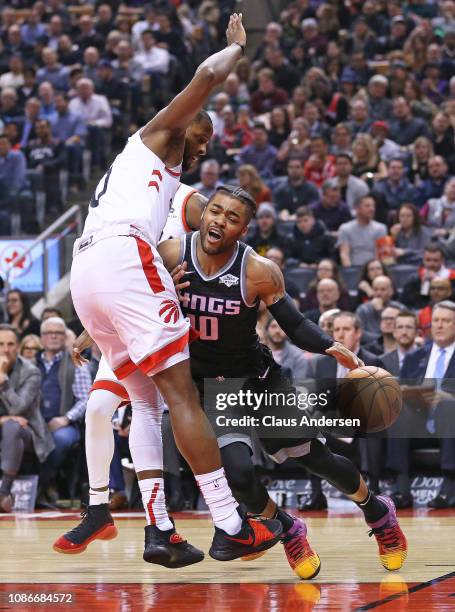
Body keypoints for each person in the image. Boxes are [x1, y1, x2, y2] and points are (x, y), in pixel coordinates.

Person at [71, 186, 405, 574]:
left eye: (232, 218)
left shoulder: (258, 270)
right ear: (203, 214)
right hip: (211, 389)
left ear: (243, 230)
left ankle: (378, 512)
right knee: (240, 475)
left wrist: (334, 347)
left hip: (258, 380)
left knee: (317, 459)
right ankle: (288, 530)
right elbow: (125, 299)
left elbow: (293, 324)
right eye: (215, 211)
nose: (219, 221)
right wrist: (91, 330)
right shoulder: (171, 254)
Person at [68, 14, 285, 566]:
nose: (204, 148)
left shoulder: (153, 180)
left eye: (210, 143)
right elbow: (205, 79)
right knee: (181, 394)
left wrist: (180, 262)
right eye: (202, 137)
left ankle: (159, 529)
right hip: (120, 256)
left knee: (142, 399)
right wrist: (235, 48)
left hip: (88, 270)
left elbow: (198, 213)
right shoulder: (157, 135)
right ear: (184, 125)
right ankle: (231, 523)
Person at [304, 312, 381, 509]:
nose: (340, 334)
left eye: (345, 329)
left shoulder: (374, 361)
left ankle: (373, 490)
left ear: (358, 333)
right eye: (336, 329)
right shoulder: (319, 363)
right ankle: (316, 494)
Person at [387, 301, 455, 509]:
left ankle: (450, 487)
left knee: (447, 407)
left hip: (450, 417)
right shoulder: (415, 356)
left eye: (446, 321)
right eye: (436, 320)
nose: (440, 325)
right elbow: (402, 388)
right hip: (419, 417)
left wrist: (449, 398)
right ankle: (401, 488)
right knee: (396, 410)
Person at [36, 317, 92, 506]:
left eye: (58, 332)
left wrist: (66, 419)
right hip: (36, 422)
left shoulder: (76, 363)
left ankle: (39, 487)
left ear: (65, 337)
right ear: (41, 338)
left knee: (60, 439)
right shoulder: (30, 362)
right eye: (48, 332)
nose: (53, 336)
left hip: (64, 423)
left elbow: (86, 399)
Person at [0, 325, 54, 512]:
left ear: (17, 346)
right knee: (10, 424)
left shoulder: (31, 371)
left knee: (12, 427)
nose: (5, 349)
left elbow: (18, 407)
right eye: (1, 344)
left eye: (10, 344)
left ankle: (3, 493)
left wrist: (3, 379)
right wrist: (3, 419)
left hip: (29, 432)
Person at [337, 196, 387, 267]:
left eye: (373, 206)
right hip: (354, 269)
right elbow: (344, 255)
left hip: (374, 268)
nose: (372, 209)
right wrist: (350, 273)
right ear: (357, 209)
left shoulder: (381, 228)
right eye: (367, 206)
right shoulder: (345, 228)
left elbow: (381, 254)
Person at [401, 244, 455, 309]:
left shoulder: (452, 278)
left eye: (435, 260)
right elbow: (406, 302)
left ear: (442, 260)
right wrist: (423, 286)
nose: (431, 264)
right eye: (428, 260)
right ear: (423, 260)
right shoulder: (415, 279)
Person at [264, 317, 308, 382]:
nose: (277, 331)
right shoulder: (258, 353)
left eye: (282, 327)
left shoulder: (297, 355)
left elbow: (300, 383)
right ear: (266, 330)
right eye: (273, 327)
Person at [380, 311, 418, 377]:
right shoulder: (382, 361)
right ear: (394, 332)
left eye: (409, 327)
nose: (404, 332)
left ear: (416, 332)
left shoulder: (428, 359)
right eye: (400, 327)